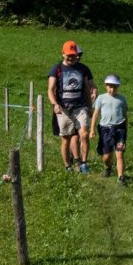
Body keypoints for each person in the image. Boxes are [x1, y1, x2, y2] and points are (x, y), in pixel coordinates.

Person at [46, 40, 96, 172]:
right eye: (68, 55)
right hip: (63, 108)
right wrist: (55, 104)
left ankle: (84, 164)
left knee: (84, 134)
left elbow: (86, 88)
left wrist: (90, 107)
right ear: (63, 54)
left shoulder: (83, 68)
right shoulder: (56, 69)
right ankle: (68, 166)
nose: (71, 58)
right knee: (66, 139)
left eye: (73, 55)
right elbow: (50, 89)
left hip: (80, 107)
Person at [92, 74, 129, 184]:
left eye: (114, 87)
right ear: (105, 86)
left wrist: (125, 129)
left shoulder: (122, 99)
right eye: (109, 86)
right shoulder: (101, 98)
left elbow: (125, 115)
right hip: (106, 129)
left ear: (118, 87)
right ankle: (107, 167)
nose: (112, 89)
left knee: (120, 153)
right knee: (107, 156)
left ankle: (121, 177)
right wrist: (92, 130)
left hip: (120, 129)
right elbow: (96, 114)